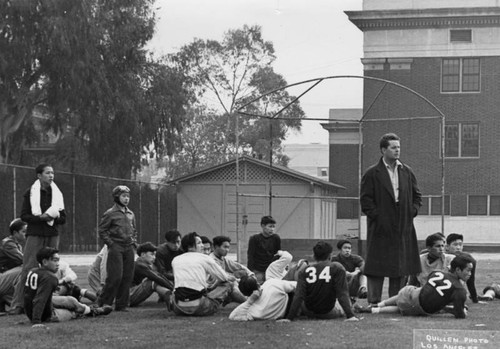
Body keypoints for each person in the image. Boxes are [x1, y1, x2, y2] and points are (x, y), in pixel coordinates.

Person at [360, 133, 422, 305]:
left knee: (400, 267)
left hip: (403, 227)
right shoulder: (372, 173)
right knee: (376, 267)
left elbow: (417, 196)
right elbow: (365, 201)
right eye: (393, 147)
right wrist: (379, 218)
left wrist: (412, 211)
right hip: (380, 228)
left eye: (398, 147)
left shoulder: (407, 171)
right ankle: (373, 302)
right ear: (383, 150)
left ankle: (396, 302)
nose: (397, 150)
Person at [10, 163, 66, 315]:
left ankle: (47, 304)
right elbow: (24, 216)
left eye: (52, 172)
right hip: (35, 233)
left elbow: (63, 218)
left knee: (51, 269)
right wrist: (40, 218)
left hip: (52, 234)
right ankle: (18, 305)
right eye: (47, 173)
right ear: (39, 175)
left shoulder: (57, 194)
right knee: (28, 268)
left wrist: (53, 218)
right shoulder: (31, 192)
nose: (51, 175)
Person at [354, 255, 474, 319]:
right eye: (468, 271)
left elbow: (431, 288)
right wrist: (461, 310)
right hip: (417, 307)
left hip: (409, 292)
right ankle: (375, 309)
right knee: (405, 308)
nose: (470, 274)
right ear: (458, 269)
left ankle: (376, 305)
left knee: (404, 297)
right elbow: (460, 315)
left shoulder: (437, 272)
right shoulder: (460, 290)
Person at [24, 247, 112, 327]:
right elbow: (40, 299)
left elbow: (30, 296)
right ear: (45, 262)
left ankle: (90, 309)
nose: (58, 264)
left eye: (58, 260)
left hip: (32, 309)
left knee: (71, 300)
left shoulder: (33, 271)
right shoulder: (50, 278)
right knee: (72, 313)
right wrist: (36, 321)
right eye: (54, 260)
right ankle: (91, 312)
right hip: (47, 314)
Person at [283, 241, 360, 322]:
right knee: (346, 302)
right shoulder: (337, 267)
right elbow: (342, 293)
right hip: (328, 312)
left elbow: (299, 295)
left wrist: (289, 318)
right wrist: (350, 316)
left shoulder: (304, 270)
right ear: (330, 255)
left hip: (308, 311)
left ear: (314, 256)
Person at [171, 232, 235, 316]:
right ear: (190, 247)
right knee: (228, 283)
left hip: (178, 308)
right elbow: (223, 278)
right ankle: (246, 302)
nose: (202, 245)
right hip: (200, 307)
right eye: (199, 243)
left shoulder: (175, 260)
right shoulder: (205, 258)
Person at [97, 185, 137, 311]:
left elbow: (134, 230)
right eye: (123, 196)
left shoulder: (131, 214)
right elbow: (102, 230)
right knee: (115, 277)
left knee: (127, 276)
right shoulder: (110, 213)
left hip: (129, 247)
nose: (126, 199)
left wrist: (134, 241)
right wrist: (111, 244)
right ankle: (104, 303)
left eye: (128, 196)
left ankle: (122, 305)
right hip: (116, 247)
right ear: (116, 197)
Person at [228, 250, 297, 321]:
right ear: (257, 283)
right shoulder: (272, 283)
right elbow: (298, 286)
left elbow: (232, 316)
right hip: (293, 304)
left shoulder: (252, 311)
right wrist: (280, 252)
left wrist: (250, 301)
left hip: (285, 310)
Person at [210, 236, 254, 303]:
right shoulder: (211, 260)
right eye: (225, 247)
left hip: (221, 286)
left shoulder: (222, 259)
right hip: (210, 289)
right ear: (216, 247)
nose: (227, 250)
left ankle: (247, 300)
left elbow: (239, 266)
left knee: (243, 273)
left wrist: (251, 274)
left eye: (228, 247)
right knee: (231, 283)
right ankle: (249, 303)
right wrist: (237, 280)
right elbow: (223, 276)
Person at [130, 242, 172, 307]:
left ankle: (167, 295)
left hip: (132, 293)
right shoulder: (139, 265)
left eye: (155, 255)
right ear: (143, 254)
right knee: (152, 281)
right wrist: (172, 288)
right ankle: (168, 295)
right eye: (152, 254)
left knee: (155, 278)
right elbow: (156, 278)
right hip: (129, 296)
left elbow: (159, 275)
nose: (154, 258)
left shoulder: (143, 265)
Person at [0, 219, 27, 314]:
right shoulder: (8, 244)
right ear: (15, 232)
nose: (26, 234)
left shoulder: (16, 244)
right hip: (2, 278)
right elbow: (23, 260)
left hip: (5, 278)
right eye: (24, 231)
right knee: (25, 269)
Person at [247, 215, 281, 284]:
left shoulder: (276, 238)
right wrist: (250, 272)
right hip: (258, 269)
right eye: (270, 226)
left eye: (273, 227)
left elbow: (278, 254)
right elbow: (250, 256)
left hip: (271, 269)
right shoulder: (254, 238)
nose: (272, 229)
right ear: (263, 226)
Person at [446, 233, 478, 303]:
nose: (458, 247)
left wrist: (475, 299)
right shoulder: (442, 257)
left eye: (460, 245)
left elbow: (470, 280)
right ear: (447, 247)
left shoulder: (468, 259)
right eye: (455, 244)